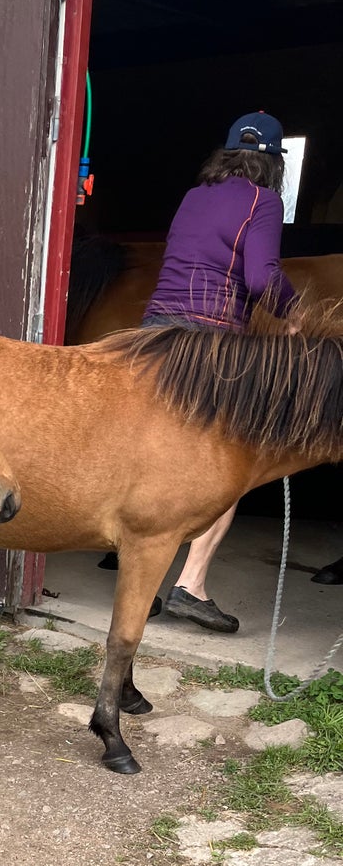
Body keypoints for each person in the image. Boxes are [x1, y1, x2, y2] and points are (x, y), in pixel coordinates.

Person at [144, 111, 299, 633]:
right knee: (228, 468)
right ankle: (191, 585)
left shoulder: (194, 195)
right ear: (273, 162)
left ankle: (140, 585)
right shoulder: (265, 202)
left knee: (151, 459)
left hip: (154, 334)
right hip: (209, 344)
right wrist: (293, 313)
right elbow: (261, 277)